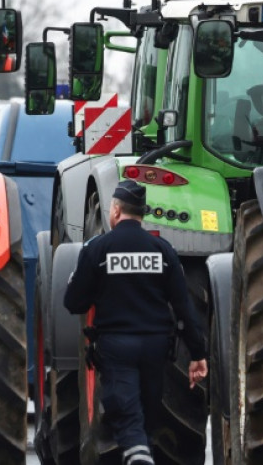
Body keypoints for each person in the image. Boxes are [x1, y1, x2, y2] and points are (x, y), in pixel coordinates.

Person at [63, 179, 208, 465]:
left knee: (126, 411)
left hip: (116, 345)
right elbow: (184, 307)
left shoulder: (98, 249)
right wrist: (198, 355)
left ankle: (139, 457)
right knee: (149, 409)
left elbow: (74, 303)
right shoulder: (162, 249)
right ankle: (144, 452)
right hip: (157, 345)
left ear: (115, 211)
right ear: (142, 213)